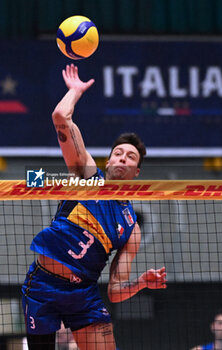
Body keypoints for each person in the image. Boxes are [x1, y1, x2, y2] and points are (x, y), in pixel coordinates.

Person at [22, 64, 167, 350]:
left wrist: (142, 282)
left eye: (131, 157)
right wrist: (75, 91)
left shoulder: (131, 228)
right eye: (118, 153)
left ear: (137, 171)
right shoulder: (86, 175)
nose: (123, 158)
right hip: (42, 286)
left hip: (83, 295)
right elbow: (61, 117)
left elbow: (114, 291)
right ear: (108, 161)